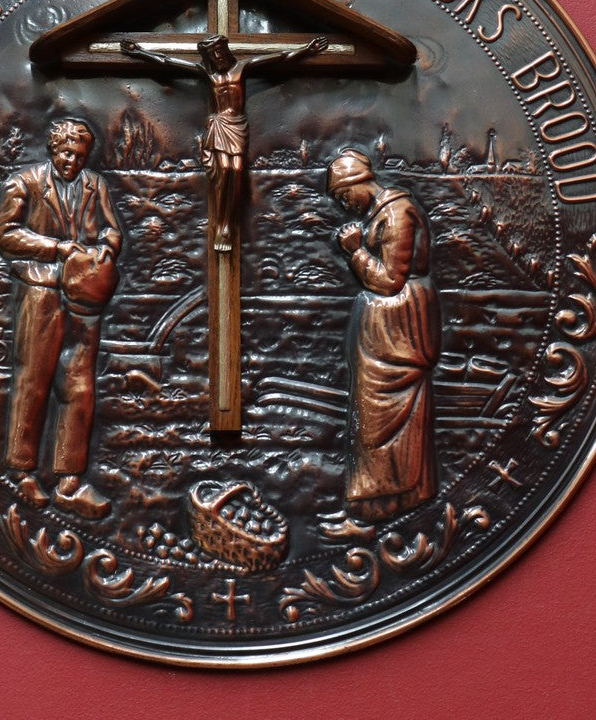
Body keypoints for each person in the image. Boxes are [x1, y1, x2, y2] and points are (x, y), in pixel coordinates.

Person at [0, 118, 122, 517]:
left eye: (80, 156)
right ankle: (22, 473)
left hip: (84, 295)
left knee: (79, 386)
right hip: (41, 291)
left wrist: (106, 248)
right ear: (53, 149)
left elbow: (112, 229)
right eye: (67, 153)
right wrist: (55, 248)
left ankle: (69, 482)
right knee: (33, 378)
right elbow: (4, 233)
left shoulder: (95, 185)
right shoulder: (25, 183)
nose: (73, 162)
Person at [121, 34, 327, 252]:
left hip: (237, 125)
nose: (217, 57)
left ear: (226, 51)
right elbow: (168, 61)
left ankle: (229, 220)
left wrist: (307, 50)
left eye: (219, 52)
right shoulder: (208, 74)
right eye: (212, 55)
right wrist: (139, 52)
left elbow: (280, 57)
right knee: (223, 172)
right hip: (219, 125)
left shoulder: (242, 68)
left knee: (236, 170)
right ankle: (221, 224)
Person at [326, 148, 440, 525]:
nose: (345, 205)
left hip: (399, 335)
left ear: (360, 181)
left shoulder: (397, 214)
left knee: (385, 419)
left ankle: (390, 502)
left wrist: (355, 252)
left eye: (344, 195)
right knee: (371, 417)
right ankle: (375, 505)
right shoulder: (380, 214)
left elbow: (391, 281)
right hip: (384, 336)